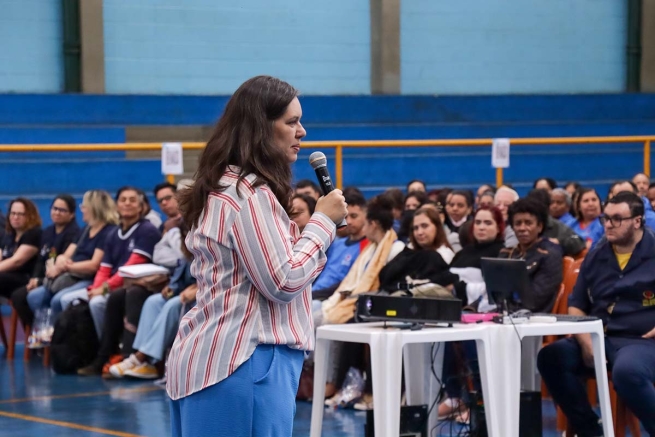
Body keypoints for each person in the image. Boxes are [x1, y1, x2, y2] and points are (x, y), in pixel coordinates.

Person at [166, 76, 347, 437]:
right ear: (262, 128)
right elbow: (283, 280)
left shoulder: (221, 187)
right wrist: (323, 221)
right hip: (246, 361)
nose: (302, 132)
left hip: (214, 359)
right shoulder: (250, 194)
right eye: (291, 122)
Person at [538, 192, 655, 436]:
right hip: (598, 336)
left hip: (641, 341)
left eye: (617, 219)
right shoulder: (597, 253)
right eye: (606, 218)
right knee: (550, 357)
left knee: (627, 372)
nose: (609, 225)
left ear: (637, 221)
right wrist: (585, 341)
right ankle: (591, 429)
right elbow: (577, 304)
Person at [11, 194, 81, 328]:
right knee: (19, 295)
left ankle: (41, 333)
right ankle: (37, 332)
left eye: (62, 210)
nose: (57, 213)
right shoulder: (48, 232)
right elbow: (40, 260)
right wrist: (34, 278)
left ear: (72, 214)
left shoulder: (74, 234)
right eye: (54, 208)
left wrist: (40, 281)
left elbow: (63, 266)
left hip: (60, 280)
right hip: (42, 279)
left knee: (20, 296)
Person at [499, 197, 563, 313]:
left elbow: (535, 300)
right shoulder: (507, 254)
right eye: (518, 223)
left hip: (534, 320)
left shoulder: (550, 254)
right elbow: (497, 295)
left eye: (528, 223)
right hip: (505, 316)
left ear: (540, 226)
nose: (522, 228)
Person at [311, 191, 368, 297]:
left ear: (366, 215)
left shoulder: (366, 246)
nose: (349, 221)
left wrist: (315, 294)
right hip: (313, 293)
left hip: (330, 298)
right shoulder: (336, 244)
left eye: (354, 216)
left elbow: (349, 282)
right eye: (345, 217)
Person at [0, 198, 42, 300]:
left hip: (26, 279)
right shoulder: (9, 234)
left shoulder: (34, 233)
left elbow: (17, 261)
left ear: (30, 216)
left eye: (20, 214)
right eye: (13, 213)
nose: (15, 217)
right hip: (7, 277)